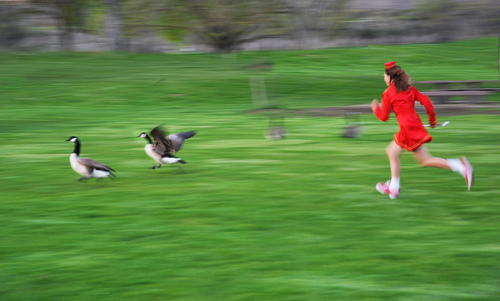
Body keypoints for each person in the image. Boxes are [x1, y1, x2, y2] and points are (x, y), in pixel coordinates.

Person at [371, 61, 474, 199]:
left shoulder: (388, 93)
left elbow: (384, 117)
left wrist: (375, 109)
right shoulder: (410, 89)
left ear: (390, 77)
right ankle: (394, 188)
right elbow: (426, 102)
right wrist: (432, 121)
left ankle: (461, 167)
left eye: (384, 75)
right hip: (413, 127)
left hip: (408, 130)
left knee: (421, 159)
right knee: (394, 152)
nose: (383, 78)